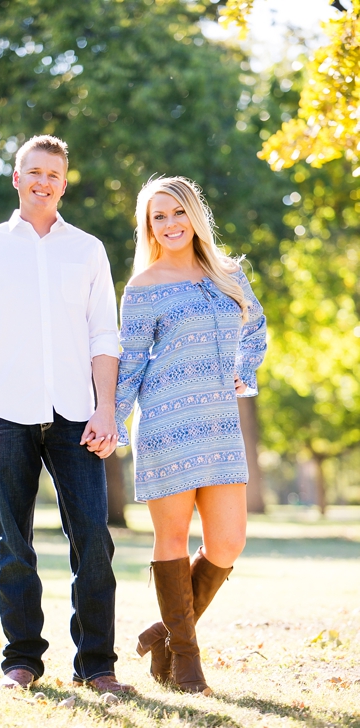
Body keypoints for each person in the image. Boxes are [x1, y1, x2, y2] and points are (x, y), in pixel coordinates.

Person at [0, 135, 134, 694]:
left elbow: (105, 333)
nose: (43, 181)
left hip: (79, 415)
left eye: (53, 174)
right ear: (16, 178)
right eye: (33, 172)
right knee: (14, 546)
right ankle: (21, 661)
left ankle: (98, 665)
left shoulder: (88, 249)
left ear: (64, 182)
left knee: (94, 541)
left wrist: (106, 409)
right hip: (4, 413)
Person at [115, 176, 266, 695]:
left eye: (178, 212)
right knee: (172, 539)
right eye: (159, 216)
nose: (171, 223)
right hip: (164, 423)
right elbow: (129, 364)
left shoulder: (228, 273)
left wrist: (245, 367)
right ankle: (186, 662)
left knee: (228, 541)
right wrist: (113, 423)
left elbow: (257, 328)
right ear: (148, 226)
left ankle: (164, 633)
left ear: (195, 216)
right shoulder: (143, 287)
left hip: (220, 424)